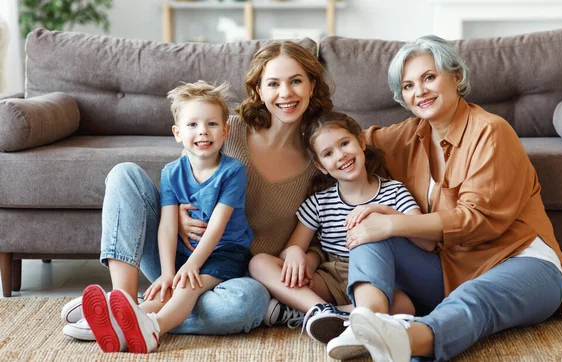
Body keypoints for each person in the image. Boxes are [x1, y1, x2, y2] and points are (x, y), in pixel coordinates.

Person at [61, 40, 334, 343]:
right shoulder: (226, 128)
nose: (286, 93)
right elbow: (182, 181)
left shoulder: (322, 158)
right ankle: (122, 301)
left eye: (296, 81)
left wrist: (304, 255)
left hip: (230, 273)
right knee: (124, 175)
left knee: (250, 302)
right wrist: (176, 215)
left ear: (312, 85)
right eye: (273, 83)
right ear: (258, 90)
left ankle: (134, 313)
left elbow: (325, 227)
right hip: (175, 254)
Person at [327, 35, 562, 362]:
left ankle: (405, 341)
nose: (420, 91)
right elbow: (348, 142)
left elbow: (475, 221)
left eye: (429, 77)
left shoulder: (491, 132)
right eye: (409, 86)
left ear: (456, 77)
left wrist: (395, 223)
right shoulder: (411, 134)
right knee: (368, 225)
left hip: (521, 261)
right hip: (448, 269)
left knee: (474, 296)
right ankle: (367, 321)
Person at [80, 80, 255, 353]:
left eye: (211, 124)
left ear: (225, 132)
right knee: (169, 288)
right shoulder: (171, 172)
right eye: (193, 125)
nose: (202, 132)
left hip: (224, 253)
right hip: (182, 254)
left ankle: (154, 327)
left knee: (186, 287)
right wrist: (167, 273)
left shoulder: (233, 172)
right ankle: (121, 317)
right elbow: (167, 226)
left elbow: (218, 228)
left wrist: (192, 266)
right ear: (177, 133)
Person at [250, 111, 433, 345]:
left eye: (344, 143)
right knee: (259, 263)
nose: (341, 155)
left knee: (405, 306)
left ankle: (322, 313)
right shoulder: (320, 202)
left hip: (380, 279)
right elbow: (293, 247)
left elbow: (427, 242)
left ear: (361, 142)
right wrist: (294, 252)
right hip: (333, 275)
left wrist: (387, 215)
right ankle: (318, 310)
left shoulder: (394, 191)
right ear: (321, 166)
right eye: (328, 153)